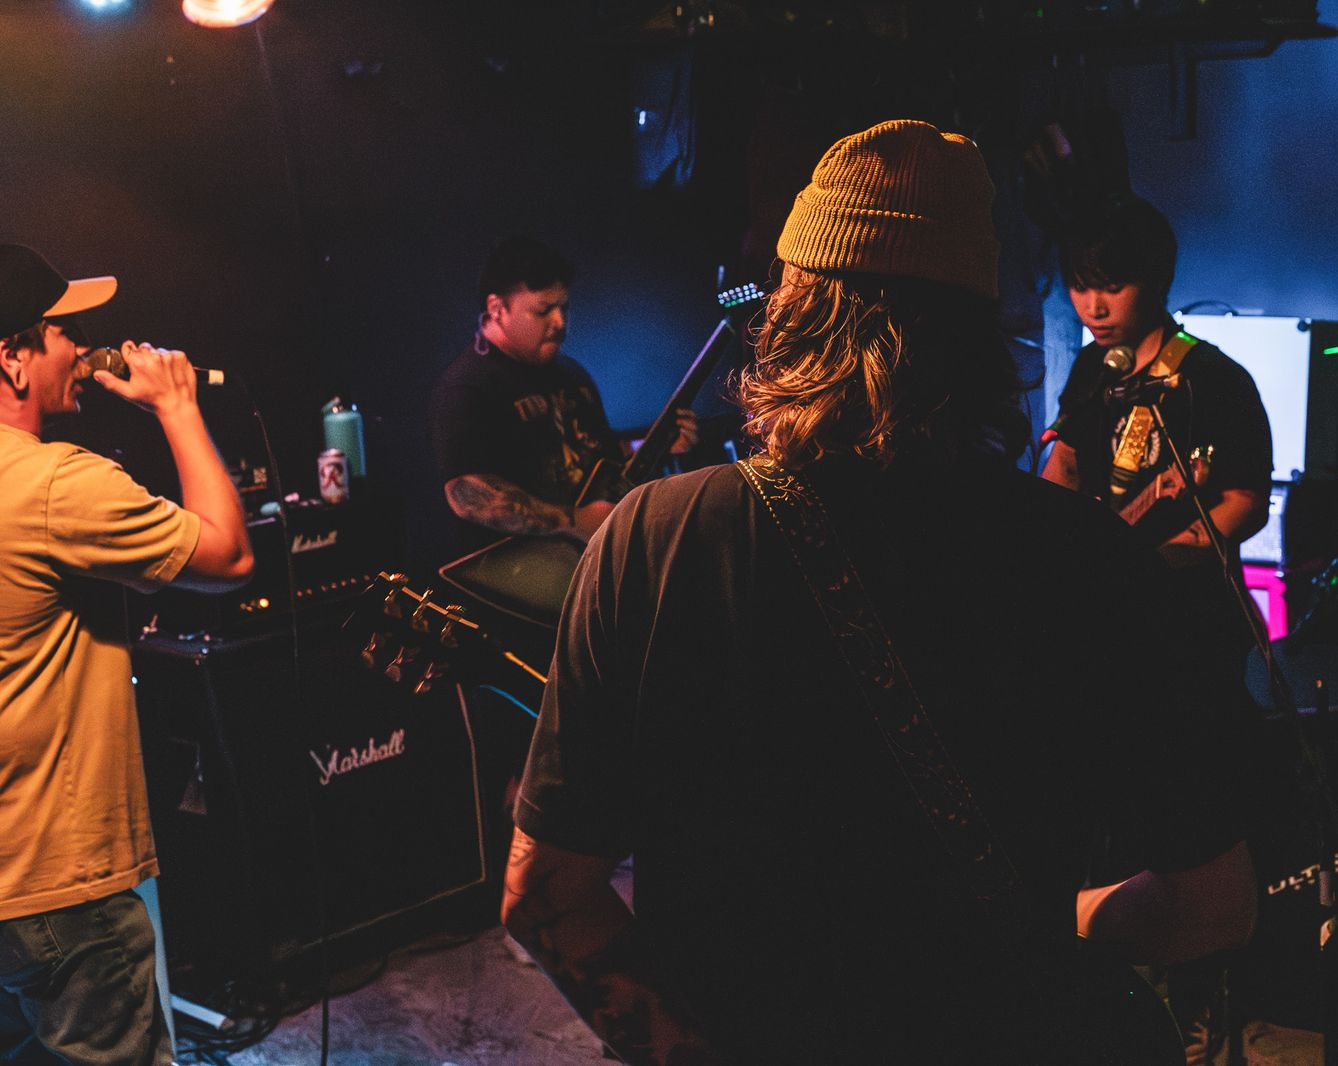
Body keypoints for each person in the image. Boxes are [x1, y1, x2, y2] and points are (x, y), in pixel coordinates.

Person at [501, 119, 1257, 1065]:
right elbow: (1213, 906)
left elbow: (544, 899)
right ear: (978, 338)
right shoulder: (1092, 559)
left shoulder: (652, 537)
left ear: (790, 314)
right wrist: (1061, 922)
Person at [0, 244, 253, 1064]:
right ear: (11, 359)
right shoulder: (53, 484)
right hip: (60, 881)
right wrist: (178, 408)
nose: (81, 348)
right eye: (61, 331)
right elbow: (227, 555)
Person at [1041, 197, 1272, 658]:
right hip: (1102, 611)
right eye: (1080, 287)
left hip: (1188, 615)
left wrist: (1155, 565)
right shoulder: (1091, 367)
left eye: (1112, 287)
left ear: (1156, 280)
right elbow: (1064, 468)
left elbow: (1246, 503)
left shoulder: (1214, 377)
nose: (1093, 308)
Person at [428, 235, 696, 551]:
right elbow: (466, 495)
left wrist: (652, 445)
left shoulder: (570, 374)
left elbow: (600, 452)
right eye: (543, 310)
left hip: (584, 559)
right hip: (519, 570)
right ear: (497, 308)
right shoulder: (467, 387)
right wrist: (576, 521)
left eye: (563, 307)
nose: (559, 321)